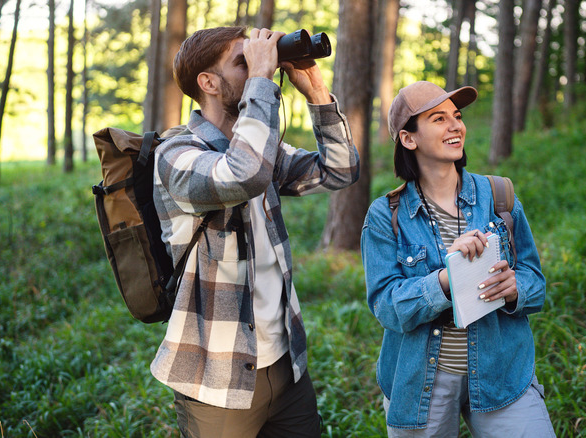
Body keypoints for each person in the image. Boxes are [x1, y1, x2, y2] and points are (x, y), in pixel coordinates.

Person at [149, 26, 359, 437]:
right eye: (243, 62)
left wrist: (315, 91)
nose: (260, 66)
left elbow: (340, 170)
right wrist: (261, 82)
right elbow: (242, 175)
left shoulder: (264, 151)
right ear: (208, 83)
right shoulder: (176, 153)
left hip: (285, 365)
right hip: (216, 378)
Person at [360, 81, 555, 437]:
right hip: (422, 383)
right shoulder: (385, 215)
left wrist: (515, 288)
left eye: (458, 116)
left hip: (502, 374)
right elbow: (386, 306)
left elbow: (535, 282)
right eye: (439, 118)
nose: (456, 126)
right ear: (408, 139)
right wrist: (445, 280)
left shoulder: (499, 196)